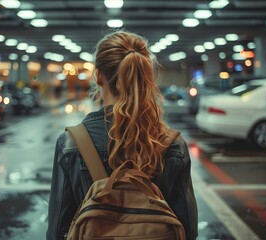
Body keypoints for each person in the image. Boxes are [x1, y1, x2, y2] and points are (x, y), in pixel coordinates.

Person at [46, 30, 198, 240]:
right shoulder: (173, 144)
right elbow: (187, 229)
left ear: (99, 75)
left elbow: (58, 230)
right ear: (145, 76)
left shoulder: (72, 143)